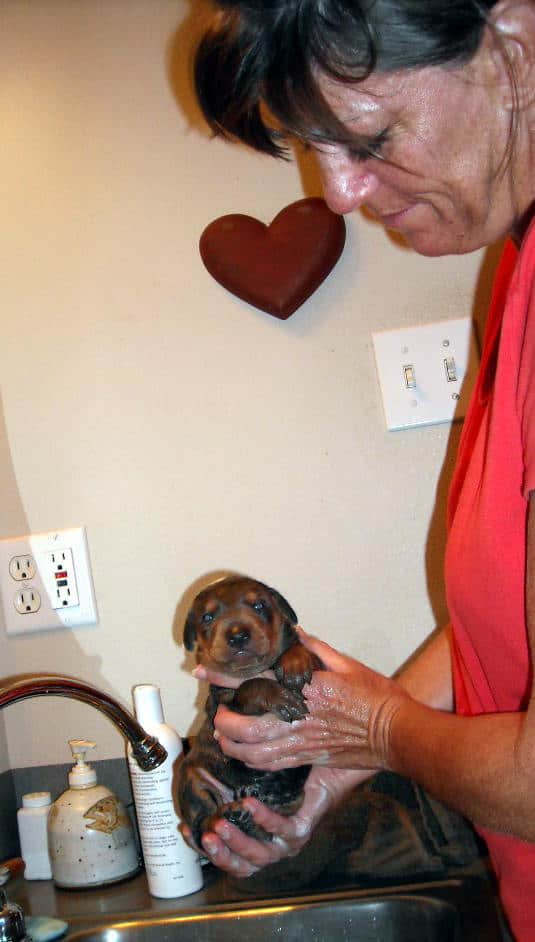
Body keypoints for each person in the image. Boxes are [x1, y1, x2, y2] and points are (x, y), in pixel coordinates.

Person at [184, 1, 535, 937]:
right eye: (311, 148)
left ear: (516, 44)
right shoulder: (518, 271)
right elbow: (490, 632)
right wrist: (342, 757)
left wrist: (380, 729)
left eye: (367, 136)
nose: (337, 191)